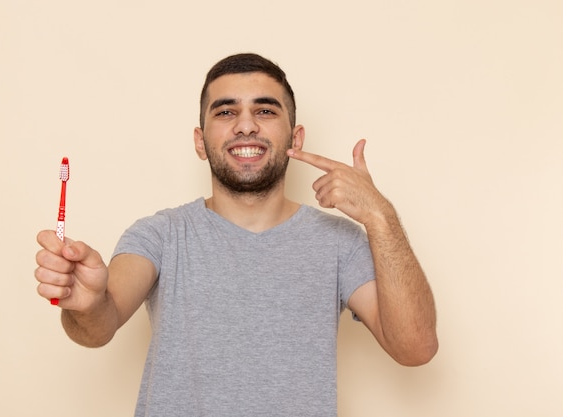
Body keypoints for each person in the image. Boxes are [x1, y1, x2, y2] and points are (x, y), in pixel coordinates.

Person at [35, 53, 438, 416]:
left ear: (295, 139)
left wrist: (380, 216)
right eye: (226, 113)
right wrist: (85, 305)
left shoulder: (338, 243)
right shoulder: (160, 234)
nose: (246, 126)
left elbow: (416, 348)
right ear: (200, 141)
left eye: (265, 111)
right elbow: (98, 326)